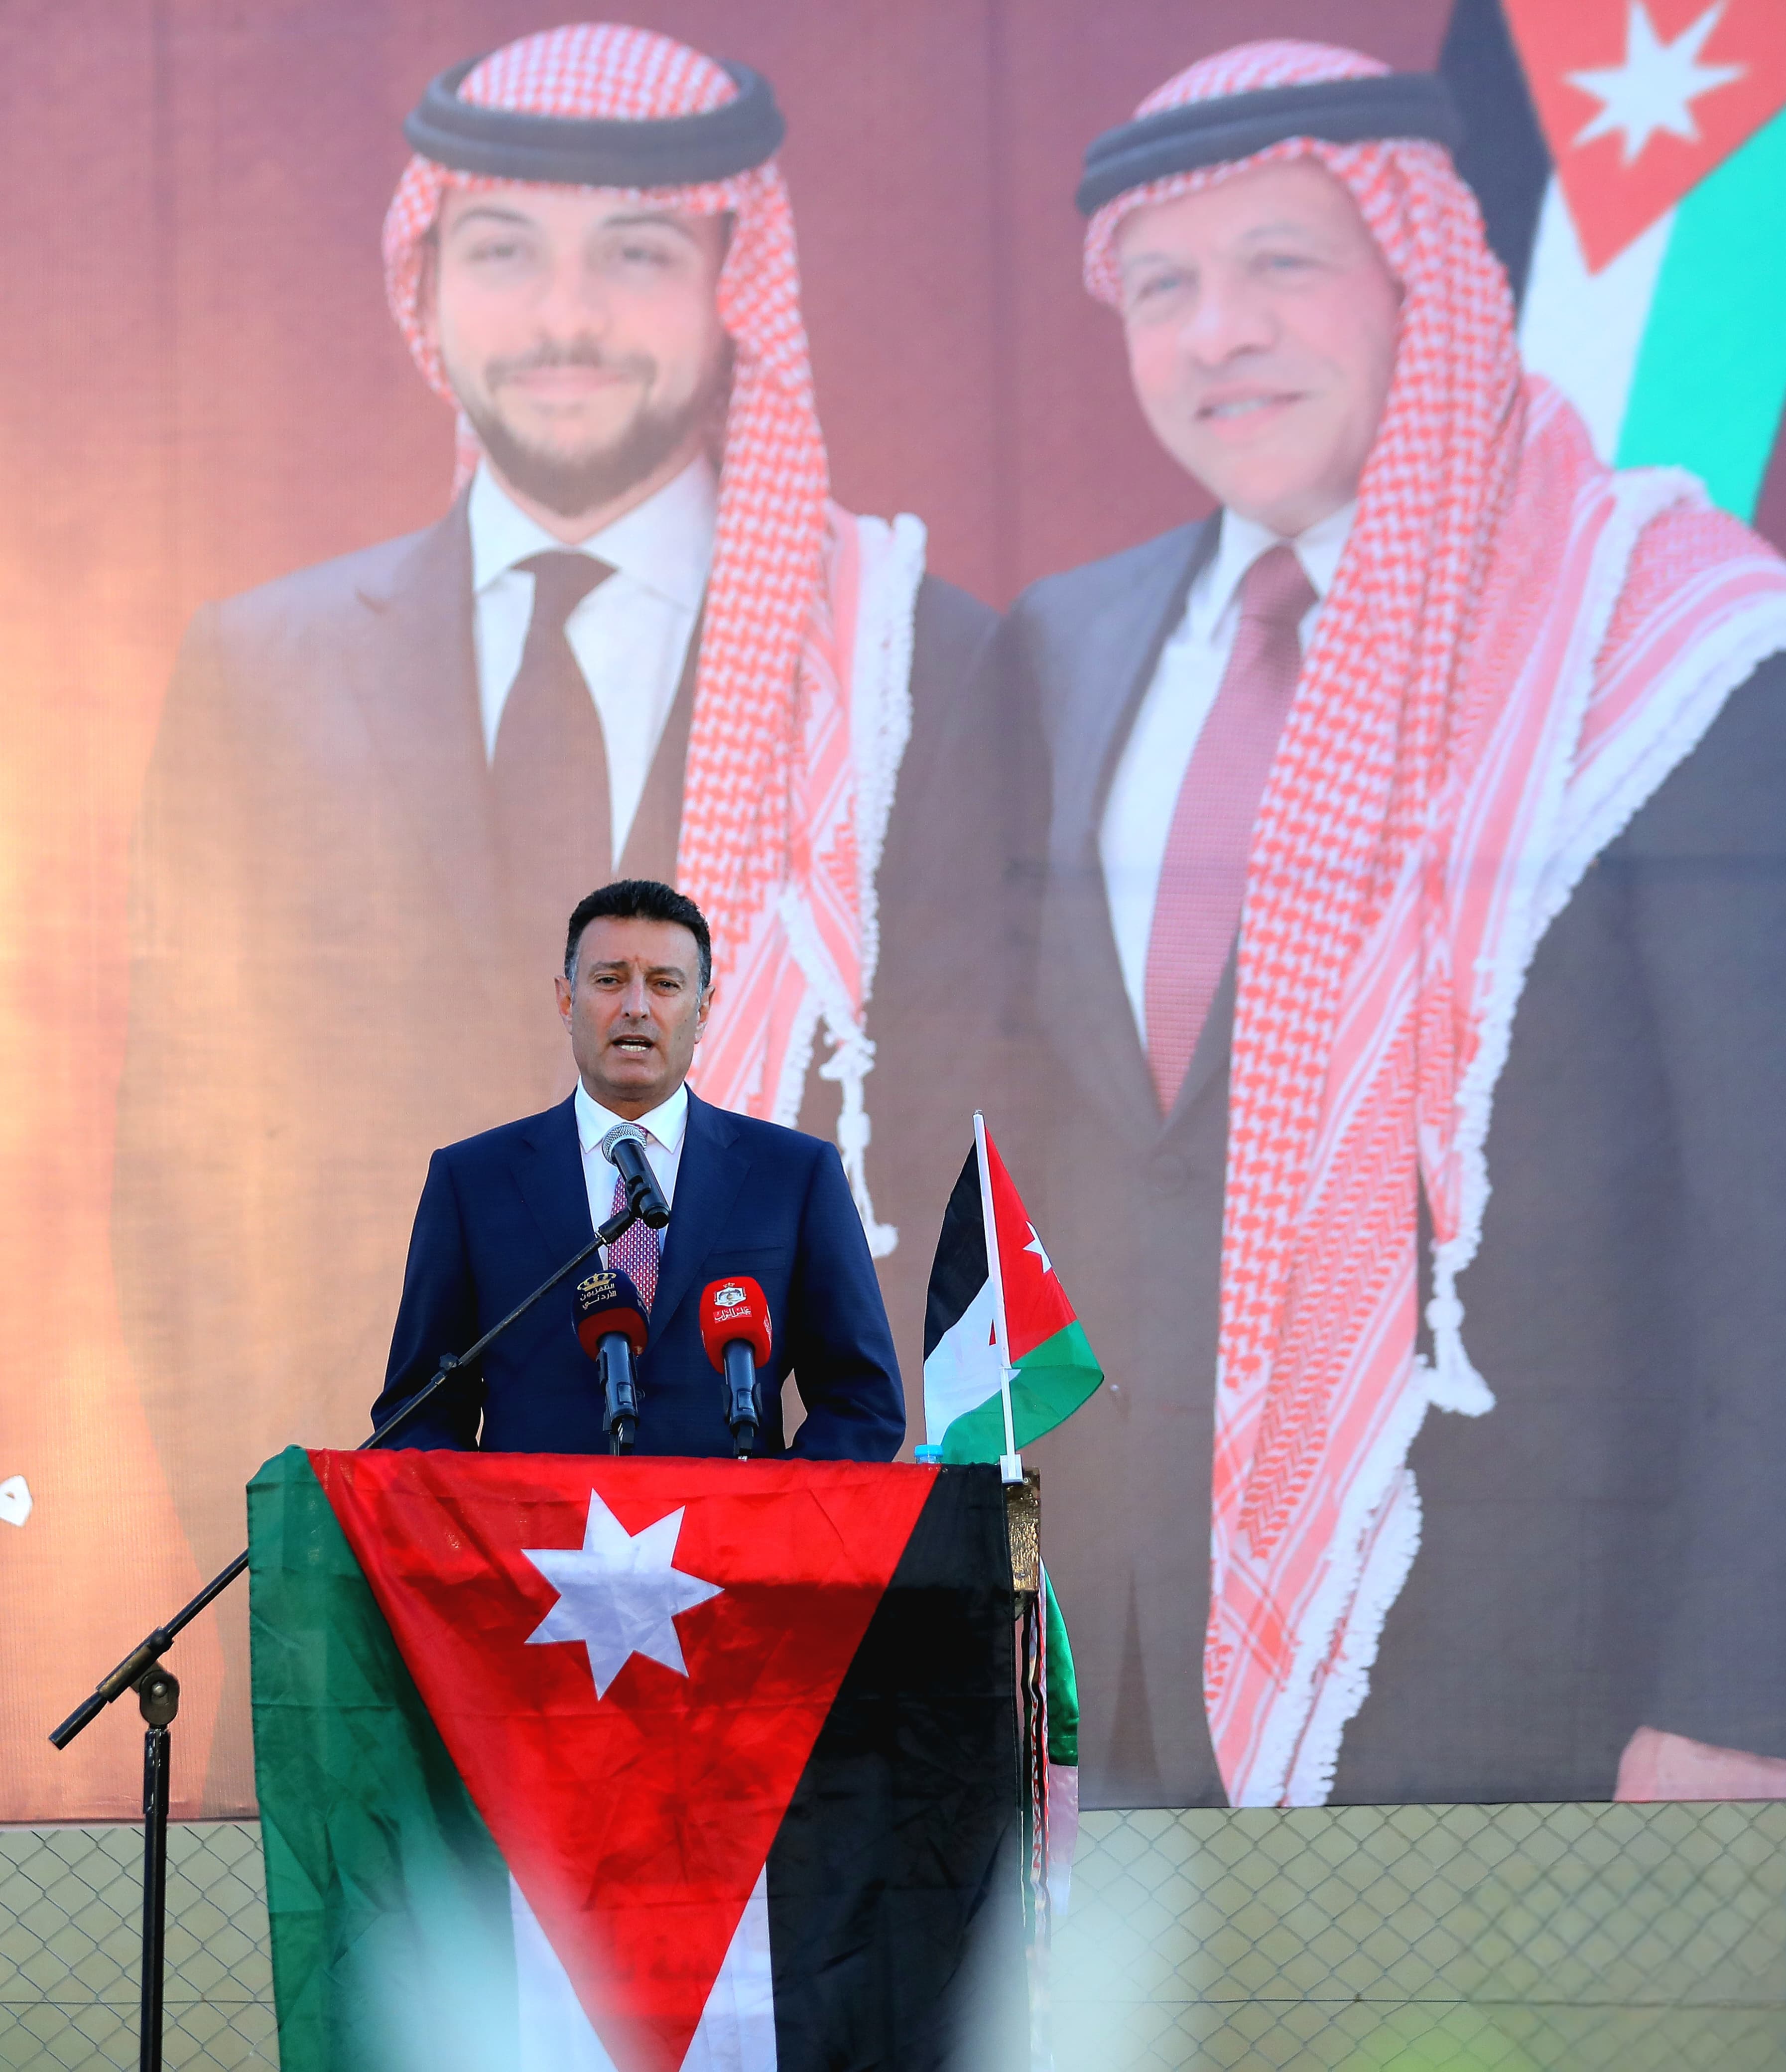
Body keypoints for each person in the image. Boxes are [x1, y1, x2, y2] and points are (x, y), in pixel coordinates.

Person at [113, 22, 994, 1808]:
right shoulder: (260, 666)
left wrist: (774, 1558)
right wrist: (418, 1610)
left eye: (635, 252)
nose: (564, 314)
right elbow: (366, 1372)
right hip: (497, 1679)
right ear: (427, 284)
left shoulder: (921, 660)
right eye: (505, 248)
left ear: (732, 283)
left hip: (751, 1675)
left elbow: (860, 1400)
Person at [1006, 39, 1786, 1810]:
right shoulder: (1065, 645)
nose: (1218, 331)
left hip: (1529, 1699)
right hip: (1101, 1697)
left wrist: (1747, 1693)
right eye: (1162, 286)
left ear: (1423, 277)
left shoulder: (1666, 640)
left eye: (1281, 262)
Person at [375, 879, 904, 1459]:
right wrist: (489, 1514)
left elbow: (862, 1404)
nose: (635, 1006)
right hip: (536, 1522)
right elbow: (418, 1415)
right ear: (566, 1000)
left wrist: (772, 1511)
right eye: (609, 980)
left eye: (664, 984)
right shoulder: (473, 1180)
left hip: (731, 1520)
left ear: (702, 1010)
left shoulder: (794, 1176)